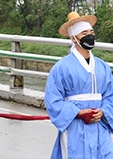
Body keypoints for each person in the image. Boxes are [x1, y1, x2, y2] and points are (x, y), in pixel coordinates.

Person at [45, 12, 113, 158]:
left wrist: (104, 111)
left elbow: (110, 95)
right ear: (73, 38)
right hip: (75, 127)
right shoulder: (61, 67)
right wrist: (77, 113)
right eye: (84, 33)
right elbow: (53, 100)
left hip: (100, 126)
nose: (90, 35)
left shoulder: (103, 67)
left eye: (91, 32)